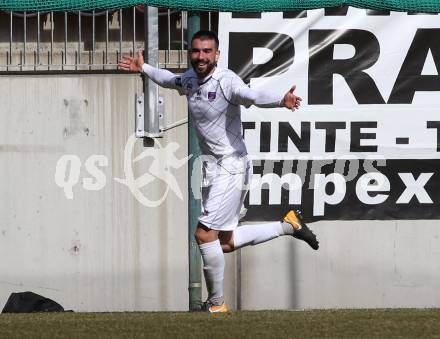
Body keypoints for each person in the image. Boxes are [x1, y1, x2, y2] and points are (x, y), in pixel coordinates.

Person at [118, 30, 319, 314]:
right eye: (196, 51)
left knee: (203, 235)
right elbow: (168, 79)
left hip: (232, 164)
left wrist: (279, 100)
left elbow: (251, 95)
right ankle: (287, 225)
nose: (201, 56)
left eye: (207, 51)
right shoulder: (189, 79)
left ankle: (217, 306)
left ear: (217, 54)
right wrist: (144, 69)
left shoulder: (226, 81)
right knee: (221, 242)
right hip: (215, 168)